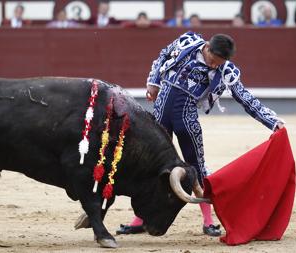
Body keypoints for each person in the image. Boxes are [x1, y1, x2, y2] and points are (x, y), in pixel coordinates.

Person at [116, 31, 285, 236]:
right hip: (159, 116)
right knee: (152, 167)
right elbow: (163, 55)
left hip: (186, 120)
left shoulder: (226, 70)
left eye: (219, 63)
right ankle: (140, 219)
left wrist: (272, 121)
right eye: (213, 60)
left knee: (197, 166)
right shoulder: (188, 41)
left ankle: (208, 220)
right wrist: (154, 82)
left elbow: (245, 98)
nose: (215, 66)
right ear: (207, 48)